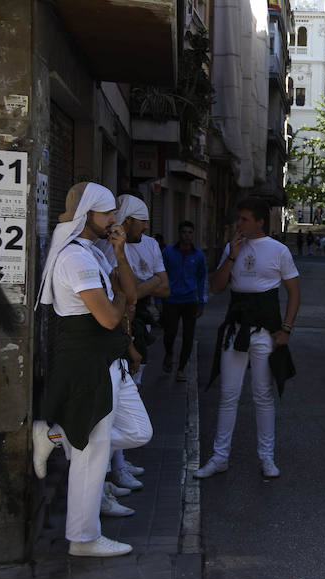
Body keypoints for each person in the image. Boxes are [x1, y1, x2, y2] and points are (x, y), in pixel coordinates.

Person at [32, 182, 152, 557]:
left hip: (108, 360)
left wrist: (118, 253)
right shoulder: (76, 259)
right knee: (92, 453)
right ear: (88, 215)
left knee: (138, 431)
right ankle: (83, 538)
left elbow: (129, 296)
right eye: (107, 214)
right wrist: (119, 299)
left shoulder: (95, 252)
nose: (114, 219)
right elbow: (109, 316)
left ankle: (55, 436)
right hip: (89, 363)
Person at [194, 198, 301, 479]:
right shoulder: (233, 248)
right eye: (238, 219)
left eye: (243, 219)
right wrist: (231, 256)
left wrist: (286, 329)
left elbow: (294, 292)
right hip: (235, 329)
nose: (238, 224)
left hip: (265, 330)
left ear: (259, 221)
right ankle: (219, 457)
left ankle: (267, 457)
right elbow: (217, 287)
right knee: (228, 394)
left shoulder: (279, 251)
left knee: (263, 395)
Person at [95, 194, 169, 491]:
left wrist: (135, 288)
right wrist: (138, 287)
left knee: (130, 395)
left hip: (135, 327)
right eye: (143, 220)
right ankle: (107, 470)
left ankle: (116, 464)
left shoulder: (148, 245)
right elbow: (123, 294)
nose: (147, 226)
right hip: (114, 331)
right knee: (112, 404)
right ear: (128, 221)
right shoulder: (105, 248)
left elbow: (164, 286)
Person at [161, 220, 208, 382]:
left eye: (190, 232)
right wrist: (158, 299)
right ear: (179, 234)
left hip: (190, 300)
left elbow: (202, 279)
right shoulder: (168, 252)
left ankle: (181, 368)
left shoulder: (199, 255)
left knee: (189, 336)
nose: (187, 236)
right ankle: (169, 353)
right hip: (171, 299)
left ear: (193, 234)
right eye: (184, 232)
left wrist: (202, 301)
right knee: (170, 333)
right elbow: (160, 275)